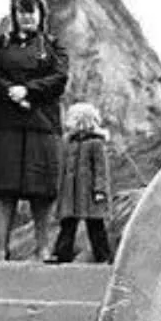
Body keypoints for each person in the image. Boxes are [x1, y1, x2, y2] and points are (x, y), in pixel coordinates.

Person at [0, 0, 69, 261]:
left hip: (43, 124)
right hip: (5, 125)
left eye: (32, 12)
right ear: (14, 16)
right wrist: (10, 91)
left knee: (42, 190)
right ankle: (2, 248)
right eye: (22, 12)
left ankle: (43, 248)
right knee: (5, 189)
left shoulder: (52, 45)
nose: (27, 17)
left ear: (40, 15)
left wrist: (29, 90)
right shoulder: (0, 45)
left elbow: (59, 77)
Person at [50, 102, 113, 264]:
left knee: (95, 225)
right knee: (68, 224)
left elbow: (101, 170)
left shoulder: (96, 143)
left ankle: (103, 256)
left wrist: (100, 190)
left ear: (80, 121)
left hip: (89, 192)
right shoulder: (68, 142)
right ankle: (61, 254)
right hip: (70, 192)